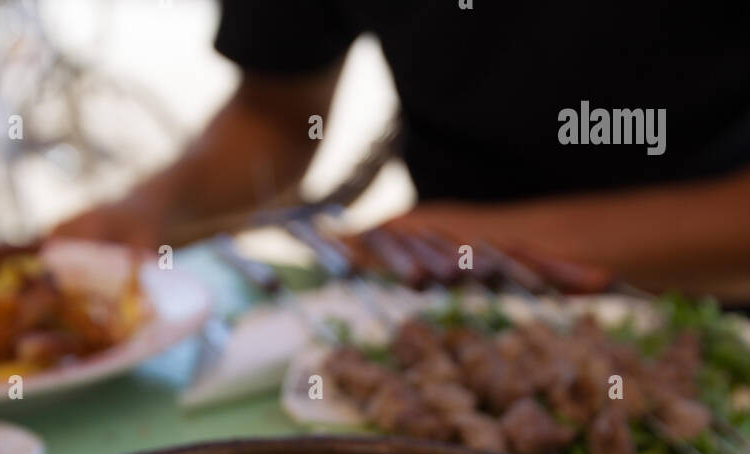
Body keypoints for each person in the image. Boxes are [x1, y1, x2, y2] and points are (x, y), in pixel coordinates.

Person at [57, 0, 750, 299]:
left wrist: (498, 238)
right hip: (436, 311)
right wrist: (146, 209)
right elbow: (275, 114)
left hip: (708, 315)